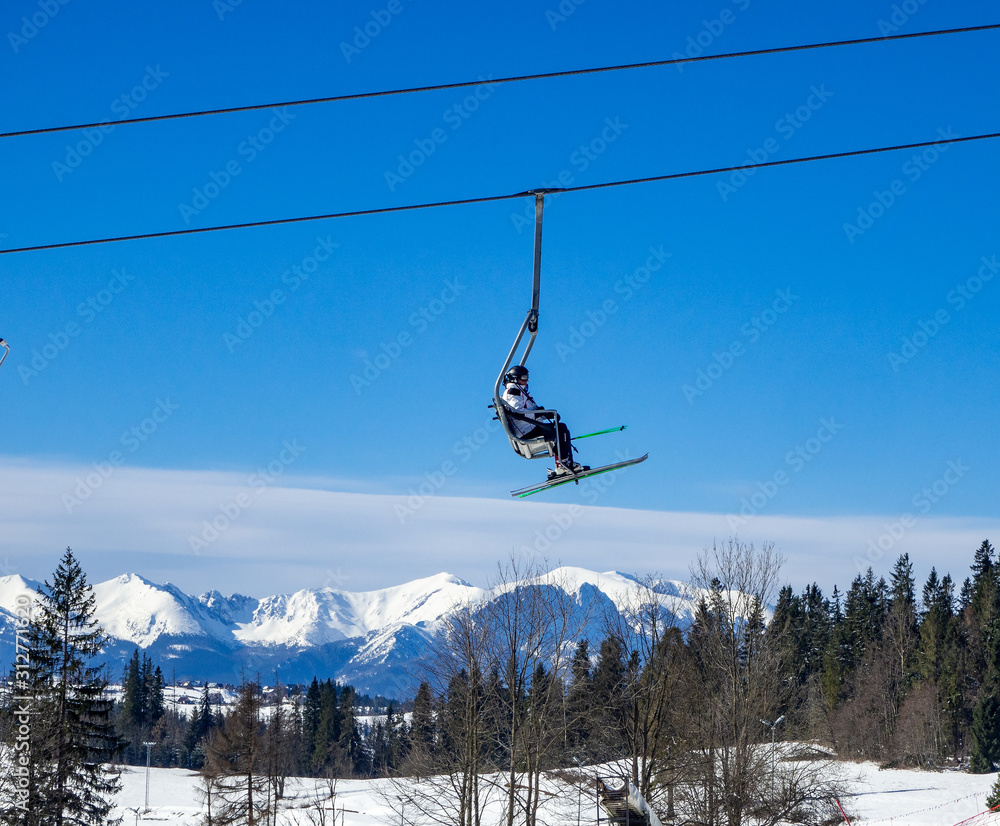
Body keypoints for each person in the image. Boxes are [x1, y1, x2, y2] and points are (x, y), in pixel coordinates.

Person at [501, 365, 589, 477]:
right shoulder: (513, 392)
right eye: (523, 377)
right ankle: (562, 465)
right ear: (514, 378)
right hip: (526, 431)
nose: (526, 380)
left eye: (527, 377)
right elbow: (519, 413)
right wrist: (539, 414)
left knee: (561, 428)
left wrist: (542, 414)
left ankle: (565, 464)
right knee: (560, 430)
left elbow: (527, 412)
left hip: (529, 427)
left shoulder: (519, 391)